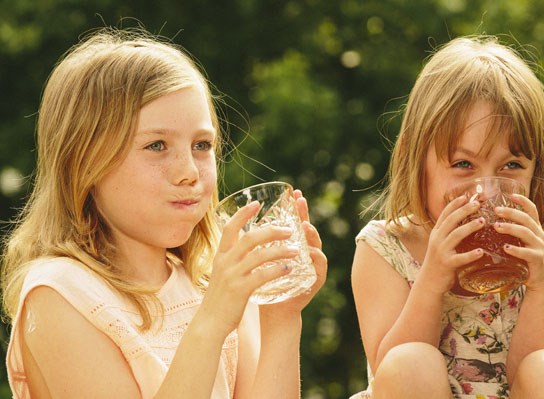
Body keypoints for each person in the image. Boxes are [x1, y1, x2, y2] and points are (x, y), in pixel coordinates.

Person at [1, 27, 327, 398]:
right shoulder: (60, 293)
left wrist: (282, 317)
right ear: (85, 161)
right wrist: (213, 321)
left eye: (202, 145)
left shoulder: (208, 279)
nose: (189, 170)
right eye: (156, 145)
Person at [350, 36, 544, 399]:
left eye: (511, 166)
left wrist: (540, 283)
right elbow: (394, 378)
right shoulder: (385, 249)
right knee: (410, 360)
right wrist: (431, 278)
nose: (485, 191)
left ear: (536, 171)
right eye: (464, 164)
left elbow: (533, 380)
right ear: (417, 162)